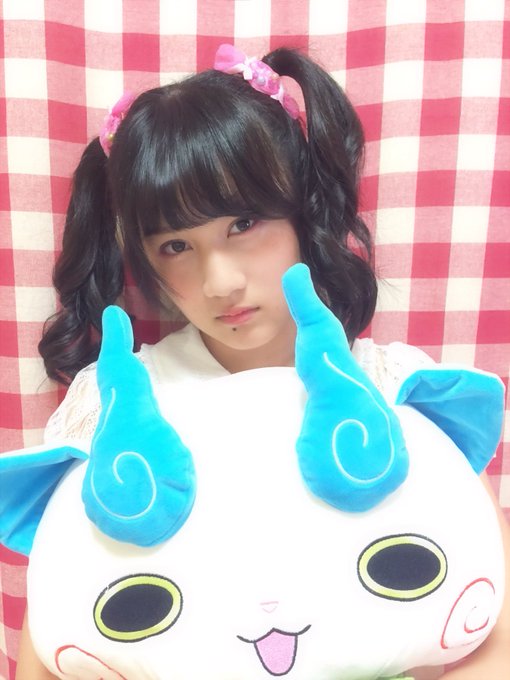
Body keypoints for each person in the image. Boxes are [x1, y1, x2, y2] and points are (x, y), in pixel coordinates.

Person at [14, 44, 510, 680]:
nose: (220, 281)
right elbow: (51, 634)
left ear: (301, 208)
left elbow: (495, 623)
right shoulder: (116, 405)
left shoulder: (392, 387)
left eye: (244, 223)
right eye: (175, 246)